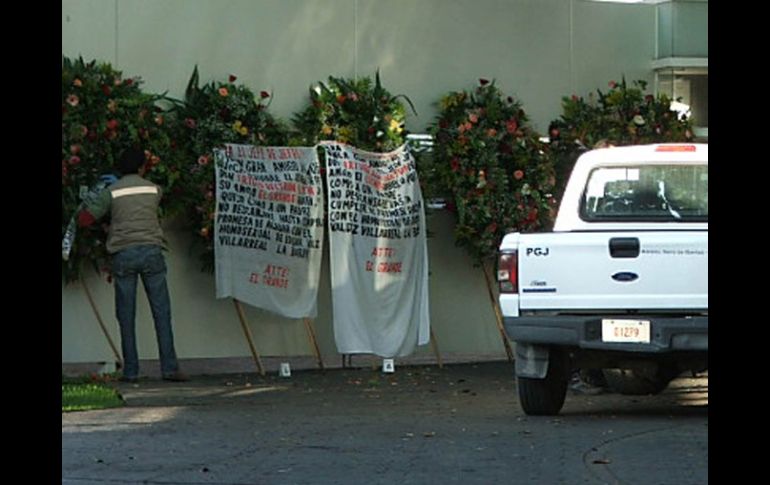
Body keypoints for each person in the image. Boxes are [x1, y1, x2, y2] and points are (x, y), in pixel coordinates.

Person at [78, 147, 187, 383]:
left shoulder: (112, 191)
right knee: (162, 312)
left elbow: (85, 219)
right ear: (141, 167)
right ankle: (169, 368)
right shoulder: (154, 189)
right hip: (151, 252)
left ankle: (131, 372)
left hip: (123, 254)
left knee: (126, 316)